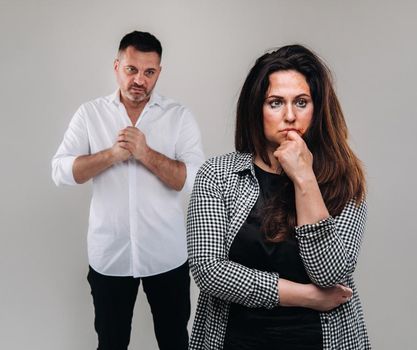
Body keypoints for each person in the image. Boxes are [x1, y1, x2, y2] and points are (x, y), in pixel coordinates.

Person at [186, 44, 369, 350]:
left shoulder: (344, 180)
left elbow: (332, 273)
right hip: (234, 340)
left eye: (301, 102)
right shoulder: (218, 175)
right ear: (256, 109)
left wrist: (303, 177)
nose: (289, 116)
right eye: (275, 103)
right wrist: (306, 296)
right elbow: (209, 270)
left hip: (318, 340)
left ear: (318, 108)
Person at [52, 30, 204, 350]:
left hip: (166, 256)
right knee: (111, 343)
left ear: (158, 73)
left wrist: (145, 154)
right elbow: (61, 171)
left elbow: (193, 180)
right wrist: (112, 155)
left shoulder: (179, 116)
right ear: (117, 66)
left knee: (175, 341)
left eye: (149, 72)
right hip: (110, 256)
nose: (140, 80)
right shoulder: (90, 114)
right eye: (132, 69)